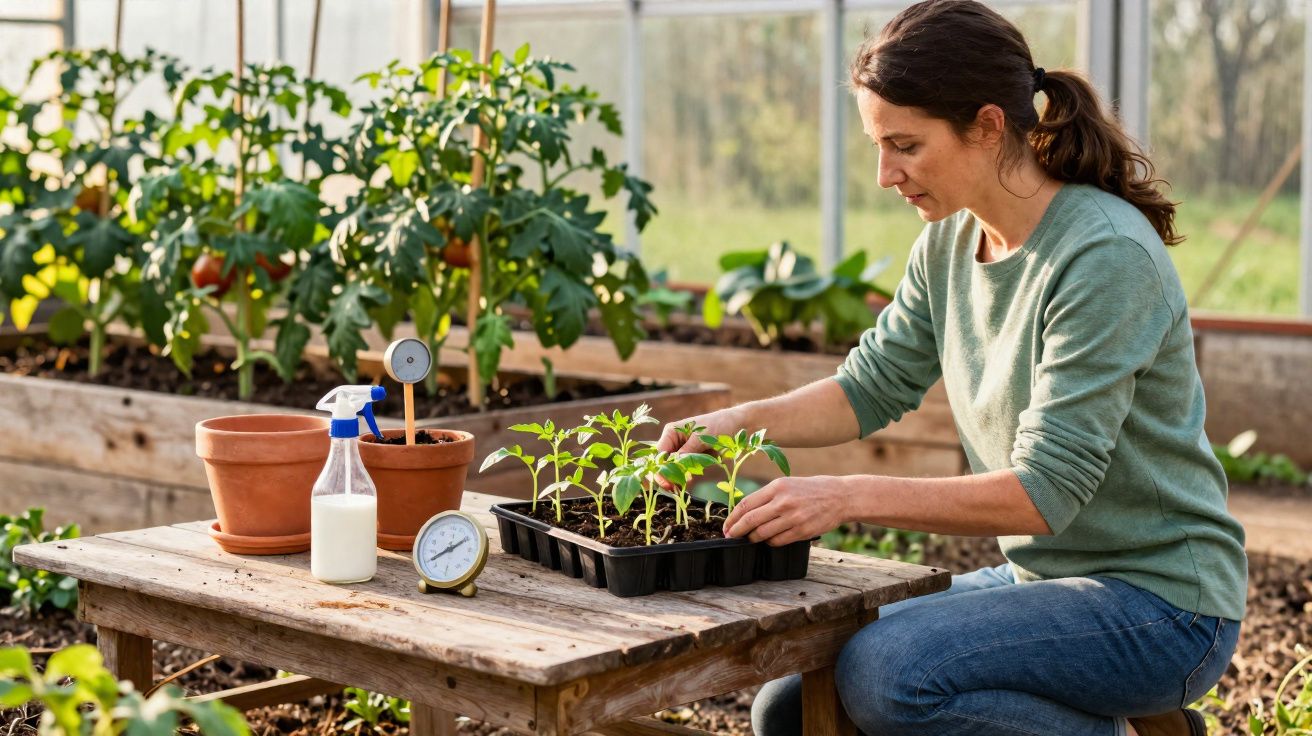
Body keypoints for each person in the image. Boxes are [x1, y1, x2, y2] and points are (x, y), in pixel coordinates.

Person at [655, 2, 1246, 735]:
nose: (883, 173)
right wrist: (739, 422)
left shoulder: (1103, 257)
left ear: (989, 126)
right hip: (1044, 582)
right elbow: (868, 387)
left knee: (889, 676)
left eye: (904, 144)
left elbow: (1044, 494)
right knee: (792, 707)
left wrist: (841, 494)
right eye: (877, 145)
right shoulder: (947, 244)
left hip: (1162, 605)